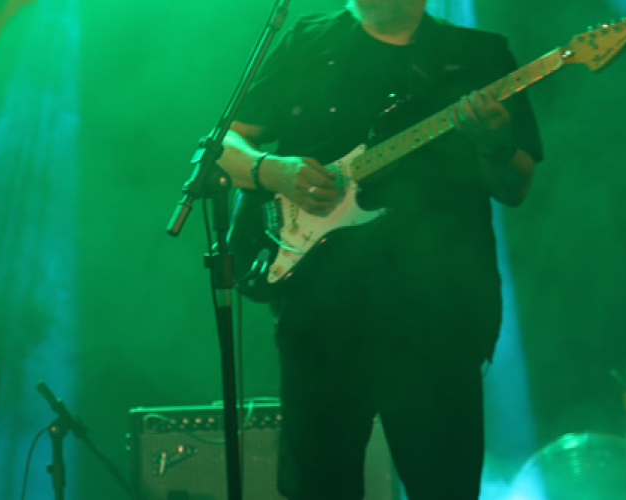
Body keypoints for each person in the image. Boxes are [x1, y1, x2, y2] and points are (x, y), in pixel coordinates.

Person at [218, 0, 543, 498]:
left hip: (438, 314)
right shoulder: (309, 40)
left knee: (444, 486)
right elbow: (224, 148)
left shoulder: (479, 54)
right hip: (318, 313)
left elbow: (514, 187)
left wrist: (494, 142)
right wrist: (275, 170)